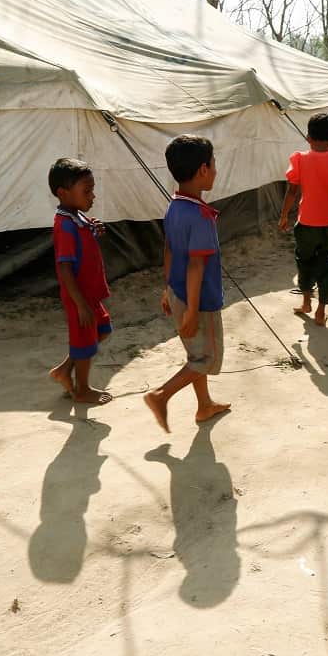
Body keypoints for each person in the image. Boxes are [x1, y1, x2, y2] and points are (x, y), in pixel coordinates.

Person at [144, 135, 231, 433]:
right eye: (214, 164)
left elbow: (168, 250)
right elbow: (196, 265)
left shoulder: (174, 206)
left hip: (179, 292)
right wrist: (194, 310)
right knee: (207, 357)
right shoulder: (200, 216)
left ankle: (204, 405)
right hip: (199, 299)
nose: (216, 170)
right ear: (203, 170)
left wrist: (168, 289)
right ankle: (161, 395)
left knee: (196, 353)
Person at [47, 158, 113, 404]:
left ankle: (65, 370)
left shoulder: (76, 217)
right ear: (63, 193)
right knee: (85, 343)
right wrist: (80, 304)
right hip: (80, 297)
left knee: (102, 330)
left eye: (92, 190)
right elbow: (64, 268)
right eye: (87, 191)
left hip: (89, 295)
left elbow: (84, 240)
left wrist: (94, 228)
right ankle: (82, 389)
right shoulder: (64, 225)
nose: (92, 196)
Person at [278, 112, 328, 327]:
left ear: (308, 137)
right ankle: (320, 311)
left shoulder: (299, 159)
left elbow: (291, 193)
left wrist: (284, 215)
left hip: (306, 225)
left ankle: (305, 302)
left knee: (305, 261)